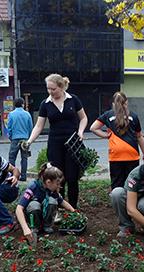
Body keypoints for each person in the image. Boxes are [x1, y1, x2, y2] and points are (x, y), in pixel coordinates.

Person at [25, 74, 88, 209]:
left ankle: (73, 208)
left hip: (72, 144)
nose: (50, 92)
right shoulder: (45, 104)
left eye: (53, 89)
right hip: (55, 144)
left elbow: (83, 118)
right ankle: (58, 208)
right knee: (57, 178)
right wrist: (29, 141)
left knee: (72, 178)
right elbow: (39, 126)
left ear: (61, 87)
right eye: (48, 89)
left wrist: (81, 132)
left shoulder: (73, 100)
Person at [90, 92, 144, 190]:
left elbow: (93, 128)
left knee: (117, 183)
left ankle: (117, 203)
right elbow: (139, 137)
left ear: (113, 103)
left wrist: (106, 135)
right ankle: (130, 204)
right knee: (132, 183)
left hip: (116, 155)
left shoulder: (108, 115)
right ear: (126, 102)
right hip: (132, 154)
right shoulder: (133, 116)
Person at [16, 162, 75, 242]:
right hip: (32, 215)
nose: (59, 187)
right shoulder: (33, 187)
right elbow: (19, 209)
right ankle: (35, 227)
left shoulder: (51, 189)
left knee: (52, 201)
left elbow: (62, 202)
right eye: (57, 184)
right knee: (34, 205)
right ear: (48, 182)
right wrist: (25, 228)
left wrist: (75, 212)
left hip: (43, 213)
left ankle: (47, 225)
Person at [7, 97, 33, 181]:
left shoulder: (11, 114)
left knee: (12, 158)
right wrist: (28, 138)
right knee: (24, 158)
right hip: (25, 139)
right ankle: (24, 176)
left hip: (15, 138)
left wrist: (10, 137)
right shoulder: (27, 114)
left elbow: (9, 128)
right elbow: (30, 127)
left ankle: (12, 175)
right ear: (23, 104)